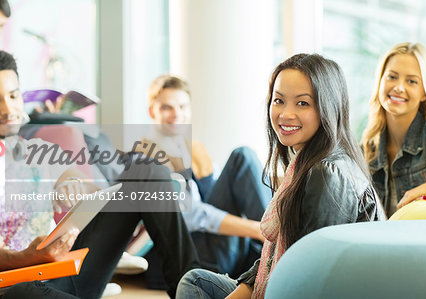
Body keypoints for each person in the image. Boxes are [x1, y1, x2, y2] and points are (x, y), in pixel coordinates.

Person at [176, 53, 385, 299]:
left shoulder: (328, 174)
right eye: (278, 101)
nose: (285, 114)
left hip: (310, 290)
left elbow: (309, 277)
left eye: (302, 103)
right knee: (196, 282)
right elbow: (275, 257)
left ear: (328, 107)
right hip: (285, 279)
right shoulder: (305, 163)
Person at [0, 50, 199, 298]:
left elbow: (93, 191)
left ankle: (191, 289)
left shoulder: (36, 150)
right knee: (22, 292)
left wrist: (71, 185)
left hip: (65, 270)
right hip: (14, 283)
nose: (8, 109)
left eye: (13, 95)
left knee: (147, 170)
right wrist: (29, 256)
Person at [138, 75, 272, 279]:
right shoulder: (147, 158)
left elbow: (222, 198)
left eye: (183, 107)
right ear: (152, 111)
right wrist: (257, 230)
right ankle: (276, 241)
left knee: (243, 157)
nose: (177, 114)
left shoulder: (192, 149)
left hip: (220, 247)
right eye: (167, 107)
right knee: (241, 156)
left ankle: (275, 241)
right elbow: (193, 216)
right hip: (197, 256)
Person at [360, 42, 426, 216]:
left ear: (425, 93)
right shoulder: (367, 149)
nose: (399, 87)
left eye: (411, 81)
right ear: (380, 81)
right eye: (392, 77)